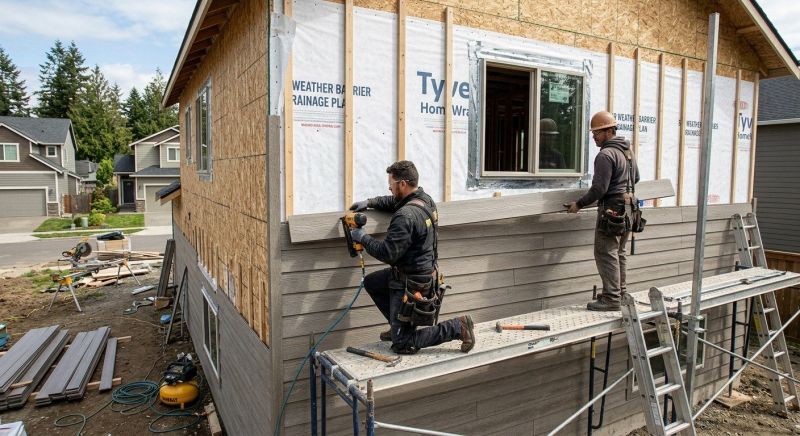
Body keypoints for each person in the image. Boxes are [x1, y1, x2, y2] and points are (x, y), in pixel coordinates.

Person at [349, 160, 475, 354]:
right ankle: (397, 325)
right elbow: (395, 201)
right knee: (373, 283)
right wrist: (370, 203)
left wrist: (362, 237)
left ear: (402, 184)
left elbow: (388, 253)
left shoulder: (405, 216)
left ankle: (458, 327)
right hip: (423, 273)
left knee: (403, 345)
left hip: (411, 282)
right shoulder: (425, 199)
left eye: (391, 184)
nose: (389, 188)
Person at [565, 111, 639, 311]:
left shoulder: (605, 155)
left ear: (608, 131)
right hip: (629, 208)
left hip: (612, 210)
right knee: (619, 252)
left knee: (606, 253)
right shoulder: (627, 152)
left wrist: (579, 204)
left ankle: (611, 299)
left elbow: (599, 189)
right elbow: (636, 178)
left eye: (597, 133)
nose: (594, 137)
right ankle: (620, 294)